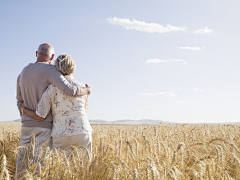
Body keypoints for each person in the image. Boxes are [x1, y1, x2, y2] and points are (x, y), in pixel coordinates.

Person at [16, 43, 91, 179]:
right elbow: (70, 91)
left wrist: (23, 113)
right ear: (51, 57)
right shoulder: (52, 71)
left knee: (22, 159)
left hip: (30, 125)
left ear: (36, 54)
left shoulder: (23, 72)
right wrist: (86, 90)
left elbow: (19, 101)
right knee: (41, 163)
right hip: (49, 126)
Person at [22, 54, 92, 153]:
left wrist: (23, 109)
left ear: (57, 68)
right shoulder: (85, 88)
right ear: (73, 67)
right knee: (84, 166)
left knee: (60, 167)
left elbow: (40, 114)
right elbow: (84, 110)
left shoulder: (51, 88)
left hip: (60, 133)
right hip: (83, 131)